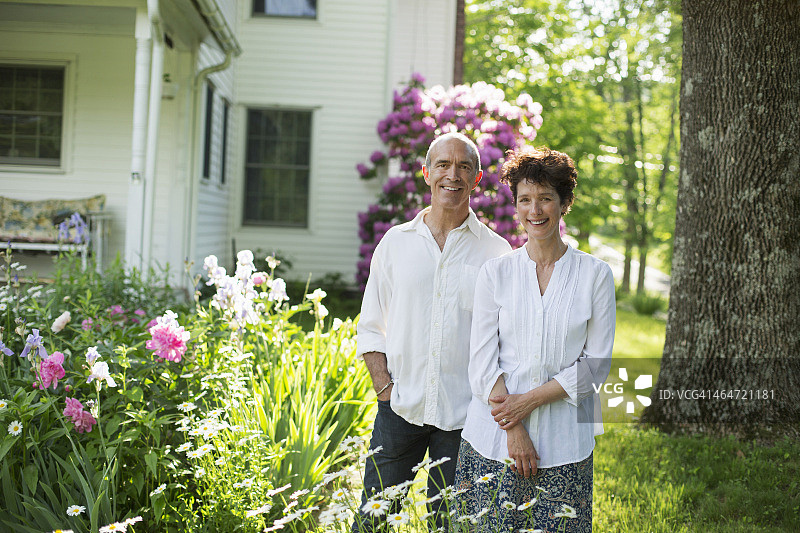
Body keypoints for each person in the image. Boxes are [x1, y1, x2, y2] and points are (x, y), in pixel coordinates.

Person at [354, 132, 512, 531]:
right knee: (372, 521)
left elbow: (505, 341)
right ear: (427, 173)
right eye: (443, 164)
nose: (452, 175)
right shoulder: (395, 243)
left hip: (465, 419)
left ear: (477, 179)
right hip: (399, 410)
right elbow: (372, 325)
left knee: (451, 526)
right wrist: (384, 391)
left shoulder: (496, 253)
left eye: (464, 166)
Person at [453, 148, 615, 532]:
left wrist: (527, 402)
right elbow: (481, 362)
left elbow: (597, 366)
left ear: (565, 203)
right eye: (525, 199)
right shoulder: (496, 273)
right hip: (492, 439)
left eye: (545, 198)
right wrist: (514, 427)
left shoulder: (596, 275)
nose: (535, 210)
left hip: (566, 439)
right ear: (516, 206)